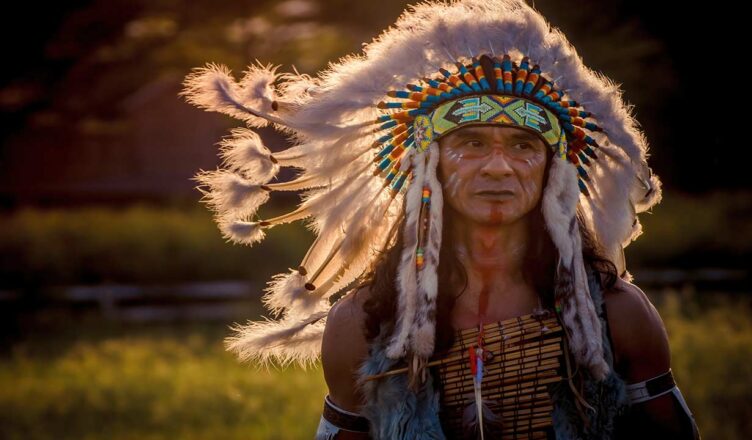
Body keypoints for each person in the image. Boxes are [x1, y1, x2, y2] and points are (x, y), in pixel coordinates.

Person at [180, 0, 701, 438]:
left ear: (552, 170)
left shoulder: (617, 314)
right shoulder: (362, 324)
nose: (498, 166)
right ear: (425, 166)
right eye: (471, 143)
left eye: (522, 145)